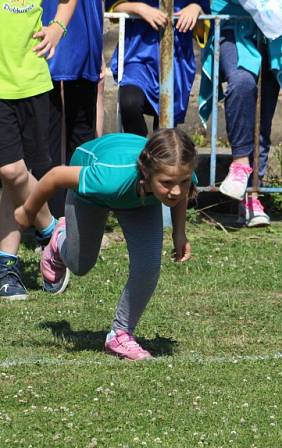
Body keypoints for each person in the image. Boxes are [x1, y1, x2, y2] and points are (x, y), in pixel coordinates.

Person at [14, 130, 197, 360]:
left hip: (140, 198)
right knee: (81, 264)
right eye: (168, 183)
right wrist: (28, 211)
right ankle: (60, 241)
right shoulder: (109, 178)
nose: (176, 190)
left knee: (148, 266)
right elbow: (55, 176)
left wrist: (179, 233)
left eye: (183, 181)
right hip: (93, 194)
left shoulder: (178, 167)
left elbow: (182, 194)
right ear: (147, 172)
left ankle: (120, 334)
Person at [196, 0, 282, 227]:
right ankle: (240, 163)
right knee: (242, 83)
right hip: (232, 26)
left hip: (274, 23)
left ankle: (252, 197)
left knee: (262, 113)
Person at [0, 0, 78, 301]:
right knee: (11, 170)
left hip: (32, 79)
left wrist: (58, 29)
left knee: (15, 175)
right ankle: (51, 228)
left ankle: (7, 265)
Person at [42, 0, 119, 218]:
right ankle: (50, 223)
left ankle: (81, 220)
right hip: (39, 41)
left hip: (84, 43)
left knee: (81, 137)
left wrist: (97, 51)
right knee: (46, 137)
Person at [106, 0, 210, 135]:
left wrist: (196, 9)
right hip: (138, 59)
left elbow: (204, 30)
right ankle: (139, 154)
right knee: (129, 102)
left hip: (177, 64)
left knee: (165, 130)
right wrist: (139, 8)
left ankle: (158, 157)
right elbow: (112, 6)